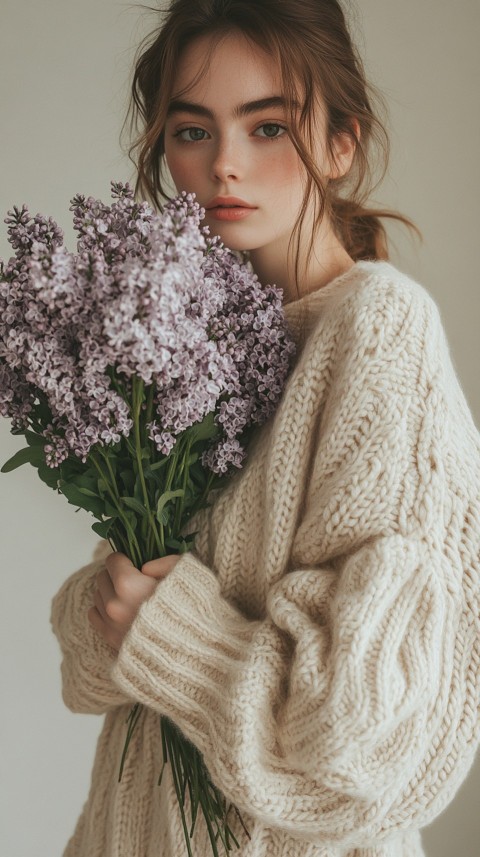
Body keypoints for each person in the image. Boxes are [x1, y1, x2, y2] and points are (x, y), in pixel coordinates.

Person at [50, 1, 480, 856]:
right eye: (192, 131)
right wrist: (108, 613)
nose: (225, 168)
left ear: (340, 142)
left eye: (270, 127)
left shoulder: (376, 331)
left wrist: (164, 632)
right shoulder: (189, 333)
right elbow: (94, 659)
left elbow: (359, 736)